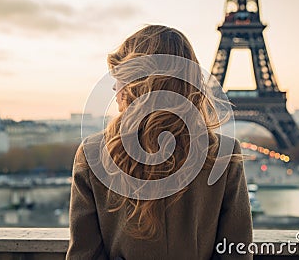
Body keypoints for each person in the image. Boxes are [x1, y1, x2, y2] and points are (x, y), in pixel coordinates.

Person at [66, 25, 253, 260]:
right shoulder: (223, 154)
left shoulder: (92, 154)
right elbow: (237, 252)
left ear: (139, 83)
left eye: (121, 78)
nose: (115, 88)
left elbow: (84, 256)